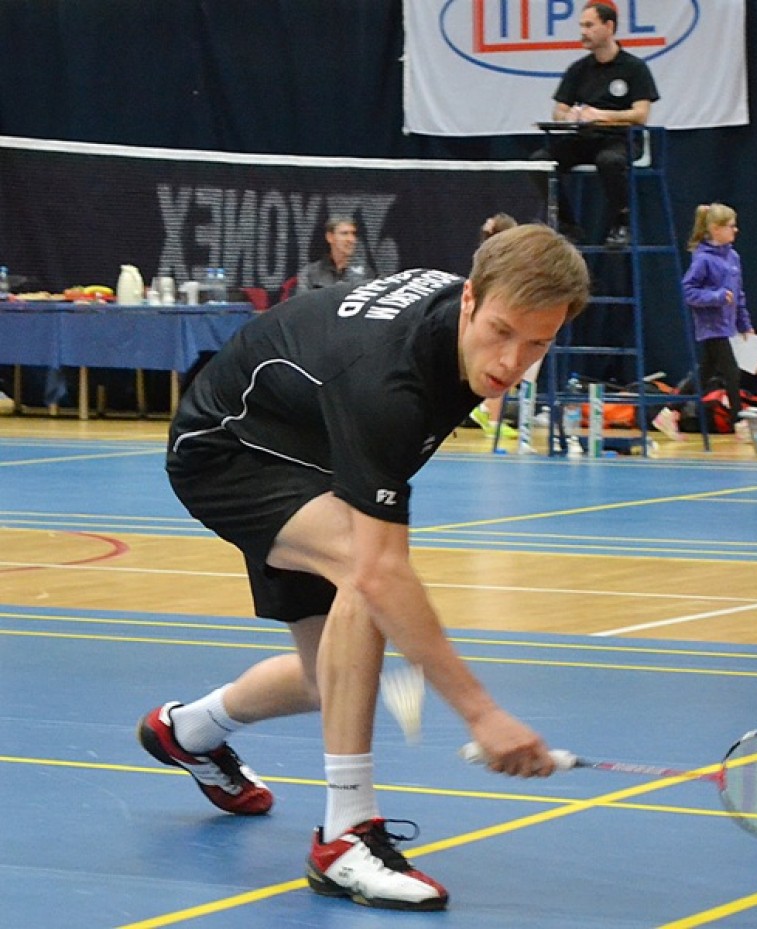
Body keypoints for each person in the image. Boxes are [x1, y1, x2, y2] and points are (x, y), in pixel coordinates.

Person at [136, 223, 590, 911]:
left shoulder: (460, 336)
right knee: (364, 573)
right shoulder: (388, 380)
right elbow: (380, 574)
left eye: (538, 343)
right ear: (469, 299)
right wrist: (483, 714)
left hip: (311, 439)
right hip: (231, 451)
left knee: (333, 679)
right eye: (501, 332)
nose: (512, 362)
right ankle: (346, 836)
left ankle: (188, 731)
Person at [529, 2, 659, 247]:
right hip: (584, 138)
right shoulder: (578, 69)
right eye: (581, 26)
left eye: (589, 25)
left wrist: (602, 116)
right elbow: (559, 109)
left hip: (619, 139)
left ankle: (622, 222)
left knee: (609, 161)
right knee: (539, 162)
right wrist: (569, 116)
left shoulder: (634, 68)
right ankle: (568, 225)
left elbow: (641, 114)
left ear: (609, 27)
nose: (583, 32)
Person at [677, 203, 754, 438]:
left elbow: (738, 295)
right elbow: (688, 291)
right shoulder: (703, 259)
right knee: (731, 372)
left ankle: (669, 410)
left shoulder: (733, 257)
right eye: (731, 226)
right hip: (711, 325)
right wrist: (717, 297)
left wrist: (745, 324)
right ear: (715, 229)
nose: (735, 230)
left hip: (726, 324)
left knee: (705, 372)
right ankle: (738, 421)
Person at [469, 213, 520, 438]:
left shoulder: (486, 258)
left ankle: (488, 413)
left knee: (507, 373)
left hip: (495, 323)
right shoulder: (504, 263)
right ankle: (490, 416)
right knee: (505, 370)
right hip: (500, 325)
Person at [295, 215, 370, 293]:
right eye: (344, 233)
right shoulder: (309, 274)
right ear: (330, 237)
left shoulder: (365, 273)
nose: (351, 239)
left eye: (353, 234)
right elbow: (301, 300)